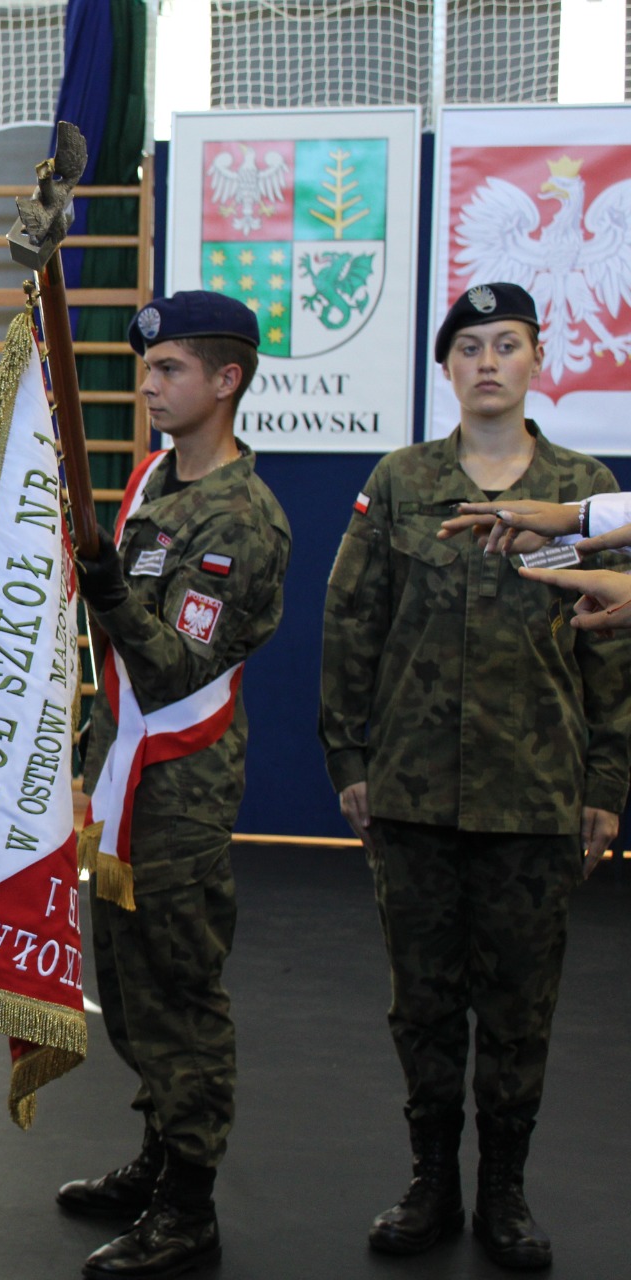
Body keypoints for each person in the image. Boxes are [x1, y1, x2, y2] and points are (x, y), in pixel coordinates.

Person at [320, 281, 629, 1272]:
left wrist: (607, 784)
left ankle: (504, 1188)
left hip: (536, 793)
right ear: (446, 367)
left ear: (539, 357)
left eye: (506, 344)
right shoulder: (402, 480)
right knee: (422, 1005)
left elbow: (613, 648)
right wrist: (348, 755)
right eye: (469, 346)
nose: (487, 361)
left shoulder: (584, 488)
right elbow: (351, 621)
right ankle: (430, 1181)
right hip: (413, 790)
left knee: (519, 1007)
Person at [61, 291, 292, 1280]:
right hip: (124, 776)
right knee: (126, 988)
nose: (148, 385)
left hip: (180, 791)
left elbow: (176, 669)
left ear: (226, 380)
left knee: (179, 993)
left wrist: (110, 588)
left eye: (169, 370)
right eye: (146, 368)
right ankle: (158, 1156)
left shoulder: (243, 516)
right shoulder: (156, 482)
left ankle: (189, 1205)